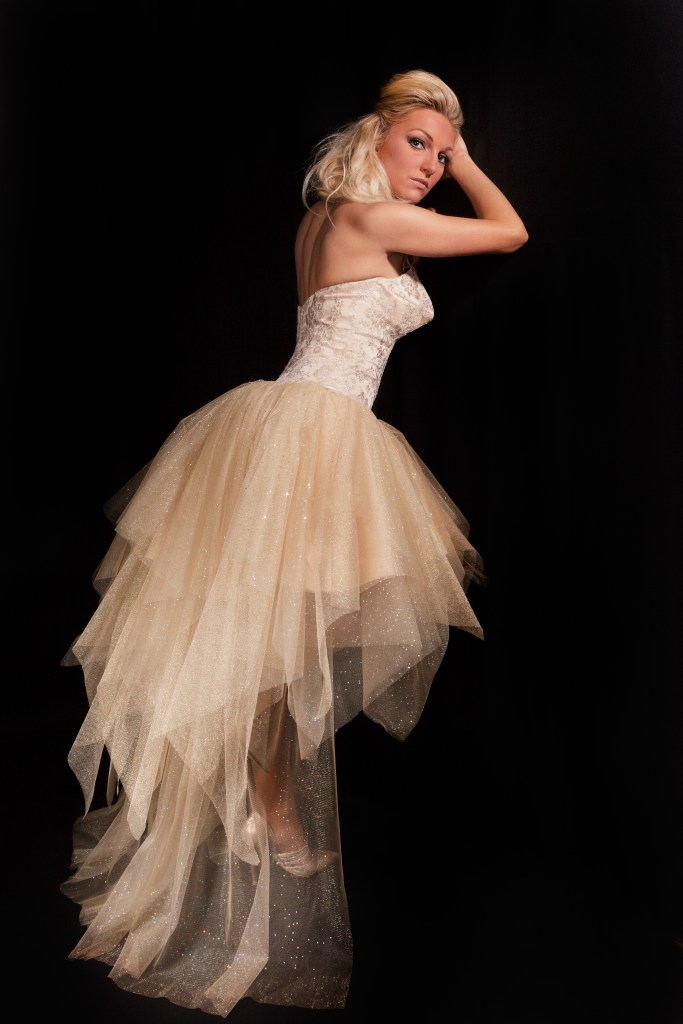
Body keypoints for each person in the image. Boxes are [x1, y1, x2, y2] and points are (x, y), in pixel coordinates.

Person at [60, 68, 528, 1017]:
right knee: (296, 630)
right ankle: (264, 790)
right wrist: (475, 164)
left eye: (444, 154)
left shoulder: (322, 219)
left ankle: (256, 780)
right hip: (318, 431)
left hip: (290, 428)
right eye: (420, 145)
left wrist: (444, 147)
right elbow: (510, 232)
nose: (434, 165)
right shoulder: (370, 216)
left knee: (291, 628)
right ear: (374, 135)